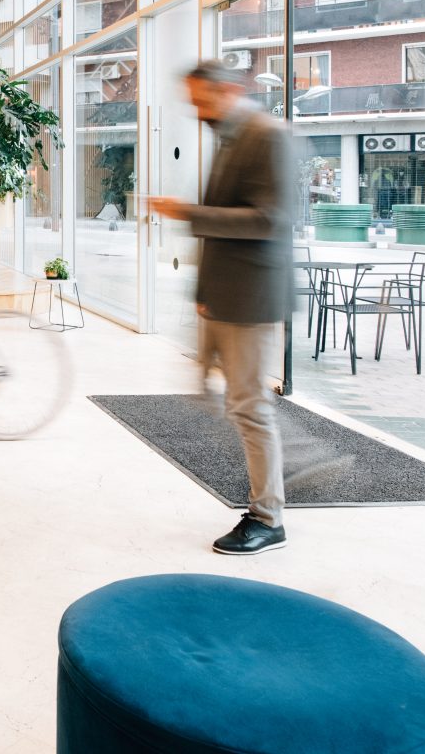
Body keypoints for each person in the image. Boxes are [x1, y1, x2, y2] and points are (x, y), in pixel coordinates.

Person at [150, 60, 294, 556]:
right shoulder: (232, 137)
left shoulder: (266, 135)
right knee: (234, 401)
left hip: (252, 300)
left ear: (230, 90)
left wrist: (187, 212)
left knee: (251, 407)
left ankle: (268, 517)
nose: (197, 110)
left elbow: (270, 219)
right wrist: (205, 293)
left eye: (203, 100)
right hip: (226, 296)